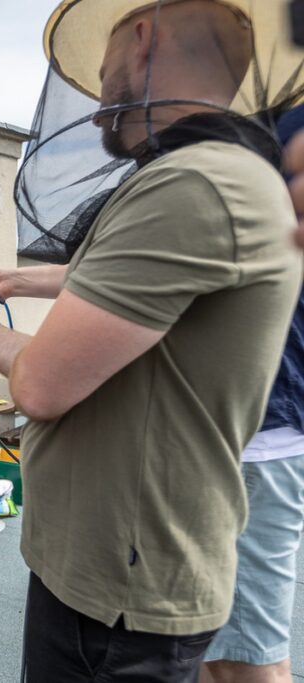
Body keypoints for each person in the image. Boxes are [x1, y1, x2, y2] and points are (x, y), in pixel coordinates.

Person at [0, 2, 302, 681]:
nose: (96, 106)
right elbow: (130, 282)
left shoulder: (191, 184)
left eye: (104, 68)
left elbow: (38, 385)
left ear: (143, 35)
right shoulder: (221, 175)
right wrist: (16, 281)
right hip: (122, 572)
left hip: (118, 592)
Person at [198, 107, 304, 683]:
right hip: (229, 434)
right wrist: (22, 279)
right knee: (204, 640)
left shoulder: (282, 135)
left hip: (258, 438)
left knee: (248, 653)